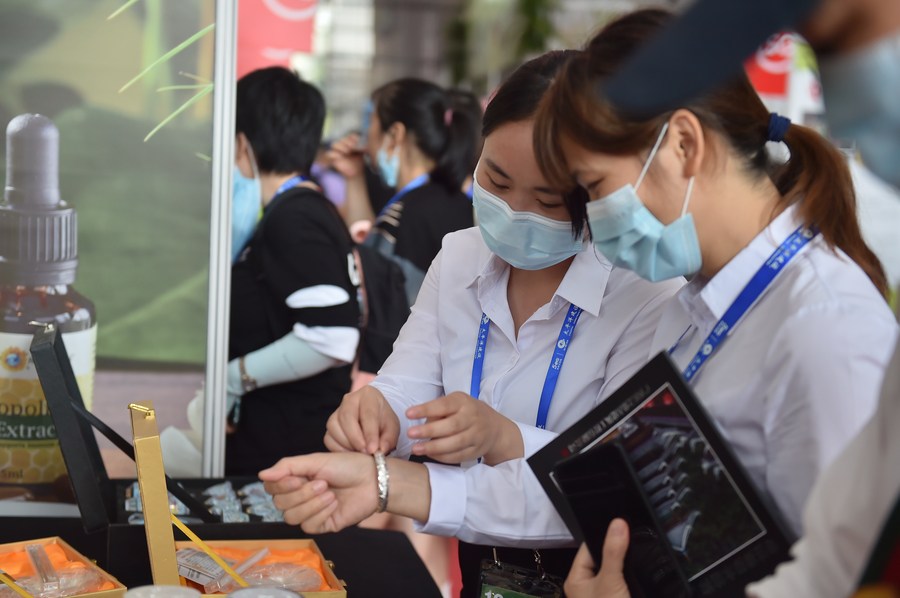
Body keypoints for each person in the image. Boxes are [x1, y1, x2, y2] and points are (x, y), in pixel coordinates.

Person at [260, 51, 684, 596]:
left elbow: (609, 483)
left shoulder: (646, 295)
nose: (512, 209)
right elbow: (409, 377)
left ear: (596, 194)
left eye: (548, 200)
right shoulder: (460, 256)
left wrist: (491, 441)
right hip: (479, 570)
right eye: (497, 180)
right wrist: (378, 411)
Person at [548, 1, 900, 596]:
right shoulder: (687, 311)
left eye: (595, 188)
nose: (596, 223)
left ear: (683, 144)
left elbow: (849, 576)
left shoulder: (824, 328)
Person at [226, 67, 360, 475]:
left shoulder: (295, 216)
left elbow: (332, 337)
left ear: (242, 141)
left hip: (287, 451)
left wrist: (235, 378)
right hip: (284, 443)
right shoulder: (302, 209)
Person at [328, 78, 478, 304]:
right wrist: (355, 177)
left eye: (371, 121)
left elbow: (385, 304)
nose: (365, 136)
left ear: (395, 133)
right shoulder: (452, 200)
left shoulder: (410, 213)